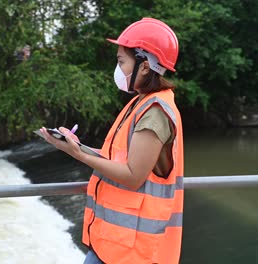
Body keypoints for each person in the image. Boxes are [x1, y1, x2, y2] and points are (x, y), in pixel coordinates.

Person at [40, 17, 184, 264]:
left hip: (133, 251)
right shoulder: (142, 102)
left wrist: (79, 155)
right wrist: (78, 145)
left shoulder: (155, 111)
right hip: (114, 244)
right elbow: (118, 157)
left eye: (121, 61)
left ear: (146, 66)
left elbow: (133, 174)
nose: (118, 69)